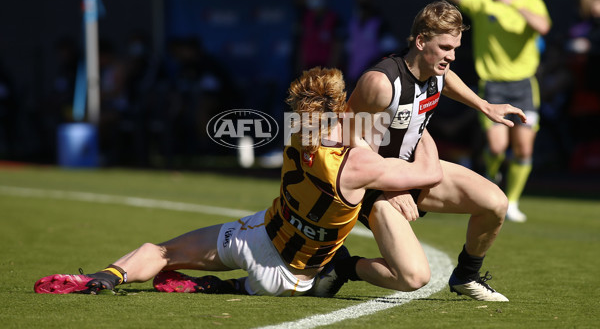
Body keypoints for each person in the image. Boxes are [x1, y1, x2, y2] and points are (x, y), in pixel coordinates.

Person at [34, 67, 442, 297]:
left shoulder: (297, 129)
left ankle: (106, 277)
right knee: (390, 272)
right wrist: (419, 130)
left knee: (160, 251)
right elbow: (430, 174)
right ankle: (218, 288)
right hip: (291, 278)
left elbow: (334, 123)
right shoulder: (359, 165)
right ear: (339, 111)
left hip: (258, 236)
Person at [314, 1, 526, 302]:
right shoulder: (381, 83)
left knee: (495, 204)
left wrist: (484, 105)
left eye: (455, 47)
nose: (451, 56)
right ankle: (343, 266)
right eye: (445, 48)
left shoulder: (435, 67)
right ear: (421, 41)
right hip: (371, 184)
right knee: (413, 278)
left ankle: (466, 276)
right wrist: (390, 187)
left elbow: (445, 78)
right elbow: (348, 136)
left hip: (410, 170)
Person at [388, 0, 551, 222]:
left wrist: (511, 4)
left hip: (523, 84)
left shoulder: (531, 2)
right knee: (497, 147)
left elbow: (543, 26)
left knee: (524, 148)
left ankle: (512, 201)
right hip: (493, 84)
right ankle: (492, 177)